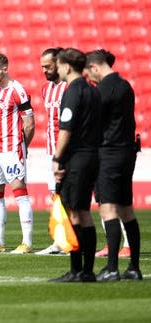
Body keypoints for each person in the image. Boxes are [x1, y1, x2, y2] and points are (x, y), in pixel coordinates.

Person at [85, 49, 143, 281]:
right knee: (126, 210)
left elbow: (94, 125)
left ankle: (111, 268)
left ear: (95, 67)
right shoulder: (125, 86)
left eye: (91, 74)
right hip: (127, 152)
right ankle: (134, 267)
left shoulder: (104, 90)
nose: (91, 78)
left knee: (108, 209)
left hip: (109, 154)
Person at [49, 48, 101, 282]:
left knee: (74, 214)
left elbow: (66, 130)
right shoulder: (92, 90)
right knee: (82, 212)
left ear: (67, 66)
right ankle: (85, 269)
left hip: (77, 158)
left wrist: (58, 159)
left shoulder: (72, 92)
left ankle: (78, 269)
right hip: (92, 155)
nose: (57, 69)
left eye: (58, 65)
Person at [0, 53, 35, 254]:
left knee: (19, 192)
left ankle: (27, 242)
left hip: (12, 149)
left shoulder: (18, 90)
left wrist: (22, 147)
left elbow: (29, 124)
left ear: (4, 68)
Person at [35, 47, 68, 255]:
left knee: (75, 197)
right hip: (51, 149)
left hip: (70, 150)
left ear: (58, 63)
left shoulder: (70, 86)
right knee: (54, 196)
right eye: (41, 67)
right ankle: (59, 241)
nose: (44, 70)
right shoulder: (46, 89)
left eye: (47, 66)